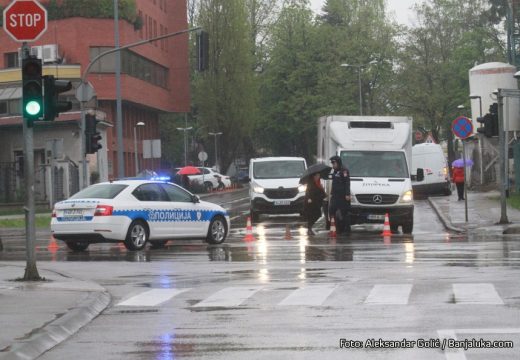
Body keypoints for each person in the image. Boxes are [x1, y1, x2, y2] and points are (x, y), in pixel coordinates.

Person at [329, 155, 351, 234]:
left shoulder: (344, 170)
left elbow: (347, 183)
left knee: (344, 213)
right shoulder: (335, 171)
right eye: (332, 163)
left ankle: (347, 230)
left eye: (334, 163)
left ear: (338, 162)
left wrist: (347, 194)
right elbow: (334, 183)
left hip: (342, 196)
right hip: (335, 195)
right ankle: (335, 228)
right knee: (331, 210)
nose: (333, 165)